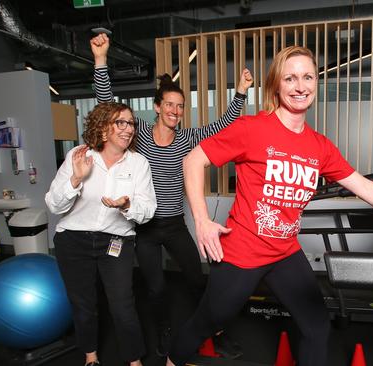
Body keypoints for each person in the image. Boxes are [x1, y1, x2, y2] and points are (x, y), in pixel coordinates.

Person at [166, 46, 373, 366]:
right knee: (209, 322)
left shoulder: (319, 146)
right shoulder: (252, 129)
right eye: (291, 78)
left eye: (308, 77)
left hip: (284, 251)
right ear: (277, 85)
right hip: (242, 251)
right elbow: (193, 160)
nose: (300, 86)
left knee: (316, 327)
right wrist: (202, 220)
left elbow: (363, 186)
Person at [90, 33, 253, 358]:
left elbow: (223, 125)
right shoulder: (138, 139)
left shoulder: (187, 138)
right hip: (146, 228)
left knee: (197, 280)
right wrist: (100, 61)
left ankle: (217, 331)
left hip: (175, 225)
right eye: (170, 105)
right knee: (156, 289)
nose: (175, 111)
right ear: (157, 107)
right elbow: (108, 105)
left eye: (180, 106)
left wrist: (240, 93)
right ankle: (164, 331)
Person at [45, 102, 157, 366]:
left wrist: (126, 205)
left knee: (122, 304)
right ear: (104, 126)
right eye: (122, 122)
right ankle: (90, 355)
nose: (129, 129)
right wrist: (75, 179)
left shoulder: (138, 163)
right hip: (73, 240)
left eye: (131, 123)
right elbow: (53, 204)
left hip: (116, 240)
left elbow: (148, 209)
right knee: (84, 304)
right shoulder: (79, 155)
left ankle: (134, 360)